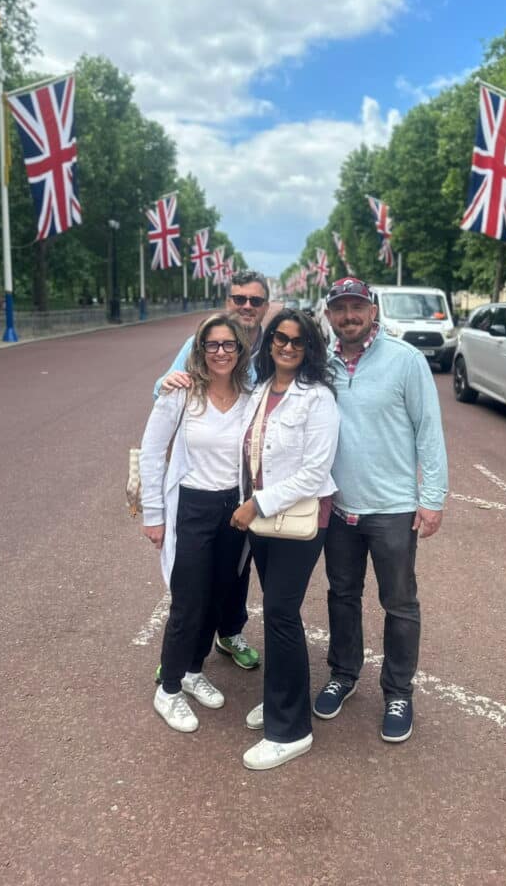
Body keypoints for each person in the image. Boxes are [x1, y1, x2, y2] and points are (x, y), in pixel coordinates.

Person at [313, 277, 448, 744]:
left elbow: (428, 431)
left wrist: (432, 499)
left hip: (392, 508)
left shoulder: (405, 360)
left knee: (399, 603)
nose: (348, 316)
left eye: (357, 307)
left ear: (372, 310)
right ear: (329, 315)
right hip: (339, 505)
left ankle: (397, 691)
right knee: (342, 595)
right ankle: (344, 673)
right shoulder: (321, 363)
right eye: (340, 308)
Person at [230, 309, 340, 770]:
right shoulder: (258, 391)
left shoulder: (318, 399)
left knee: (279, 613)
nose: (288, 346)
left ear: (309, 346)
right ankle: (280, 696)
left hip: (298, 519)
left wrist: (257, 503)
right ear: (269, 341)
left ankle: (290, 729)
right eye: (280, 338)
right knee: (277, 613)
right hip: (263, 522)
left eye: (297, 340)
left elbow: (316, 472)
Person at [153, 269, 270, 671]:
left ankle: (229, 633)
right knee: (193, 582)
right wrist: (169, 382)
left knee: (236, 571)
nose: (247, 306)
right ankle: (179, 659)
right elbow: (167, 389)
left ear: (265, 306)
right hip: (202, 485)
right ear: (228, 302)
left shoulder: (272, 347)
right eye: (239, 299)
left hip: (247, 488)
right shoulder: (200, 342)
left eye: (255, 300)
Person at [140, 313, 252, 733]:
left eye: (229, 345)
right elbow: (152, 453)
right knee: (187, 601)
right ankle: (168, 689)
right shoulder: (181, 394)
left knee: (218, 596)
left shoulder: (249, 396)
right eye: (212, 345)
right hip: (192, 506)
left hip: (235, 512)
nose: (220, 352)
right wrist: (153, 516)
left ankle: (191, 670)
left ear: (240, 350)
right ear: (199, 350)